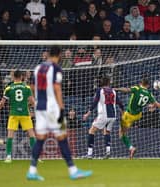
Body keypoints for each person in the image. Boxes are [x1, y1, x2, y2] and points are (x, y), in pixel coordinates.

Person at [26, 46, 92, 181]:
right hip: (52, 109)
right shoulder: (56, 68)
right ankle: (73, 171)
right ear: (59, 55)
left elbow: (31, 87)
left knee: (40, 138)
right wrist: (61, 109)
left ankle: (32, 171)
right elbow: (57, 89)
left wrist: (36, 100)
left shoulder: (38, 68)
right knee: (62, 137)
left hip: (40, 108)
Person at [115, 78, 160, 159]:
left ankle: (131, 148)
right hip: (138, 115)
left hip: (129, 115)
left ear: (140, 83)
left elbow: (126, 90)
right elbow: (156, 104)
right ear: (148, 85)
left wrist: (116, 89)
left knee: (121, 134)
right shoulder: (149, 94)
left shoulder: (137, 88)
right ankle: (131, 148)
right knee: (124, 131)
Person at [0, 70, 36, 163]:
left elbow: (2, 103)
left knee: (10, 135)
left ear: (13, 77)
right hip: (25, 114)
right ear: (22, 77)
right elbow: (32, 101)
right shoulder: (27, 87)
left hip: (14, 114)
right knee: (31, 134)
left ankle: (9, 156)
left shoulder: (9, 88)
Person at [83, 76, 124, 159]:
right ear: (109, 83)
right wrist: (123, 113)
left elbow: (95, 102)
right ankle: (108, 152)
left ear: (102, 83)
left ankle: (89, 154)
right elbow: (120, 103)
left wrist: (88, 113)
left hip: (104, 114)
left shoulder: (100, 90)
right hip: (113, 115)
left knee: (91, 130)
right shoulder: (113, 91)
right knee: (107, 132)